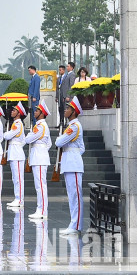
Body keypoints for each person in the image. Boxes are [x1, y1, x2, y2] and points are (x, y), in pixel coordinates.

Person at [55, 97, 85, 234]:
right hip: (70, 162)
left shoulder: (74, 126)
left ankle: (76, 225)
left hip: (73, 164)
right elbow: (82, 147)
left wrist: (74, 155)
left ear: (74, 112)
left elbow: (59, 142)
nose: (65, 110)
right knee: (72, 195)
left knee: (75, 196)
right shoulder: (71, 126)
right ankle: (74, 224)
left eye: (68, 109)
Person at [25, 103, 52, 220]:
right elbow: (49, 143)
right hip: (39, 156)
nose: (35, 112)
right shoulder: (40, 126)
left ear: (42, 114)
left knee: (40, 186)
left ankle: (42, 211)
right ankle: (40, 209)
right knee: (39, 185)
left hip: (40, 158)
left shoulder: (41, 126)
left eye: (37, 111)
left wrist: (41, 150)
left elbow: (28, 139)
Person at [4, 102, 27, 208]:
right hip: (14, 152)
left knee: (18, 178)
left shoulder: (18, 124)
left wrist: (6, 134)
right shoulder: (15, 123)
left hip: (17, 154)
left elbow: (8, 136)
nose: (12, 112)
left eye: (14, 111)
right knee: (15, 178)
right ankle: (17, 198)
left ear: (19, 113)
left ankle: (19, 199)